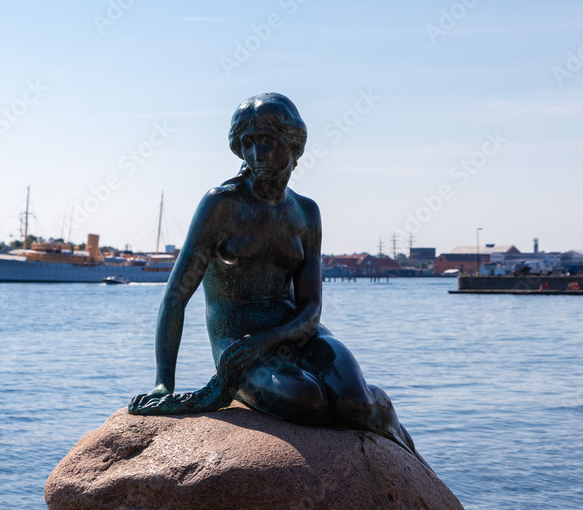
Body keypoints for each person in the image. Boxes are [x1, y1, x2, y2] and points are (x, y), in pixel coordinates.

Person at [128, 93, 427, 467]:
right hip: (238, 344)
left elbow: (312, 308)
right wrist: (163, 383)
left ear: (292, 143)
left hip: (296, 333)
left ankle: (389, 426)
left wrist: (269, 340)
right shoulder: (221, 206)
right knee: (306, 400)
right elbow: (175, 297)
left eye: (266, 141)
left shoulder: (305, 212)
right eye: (247, 143)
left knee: (355, 401)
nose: (256, 154)